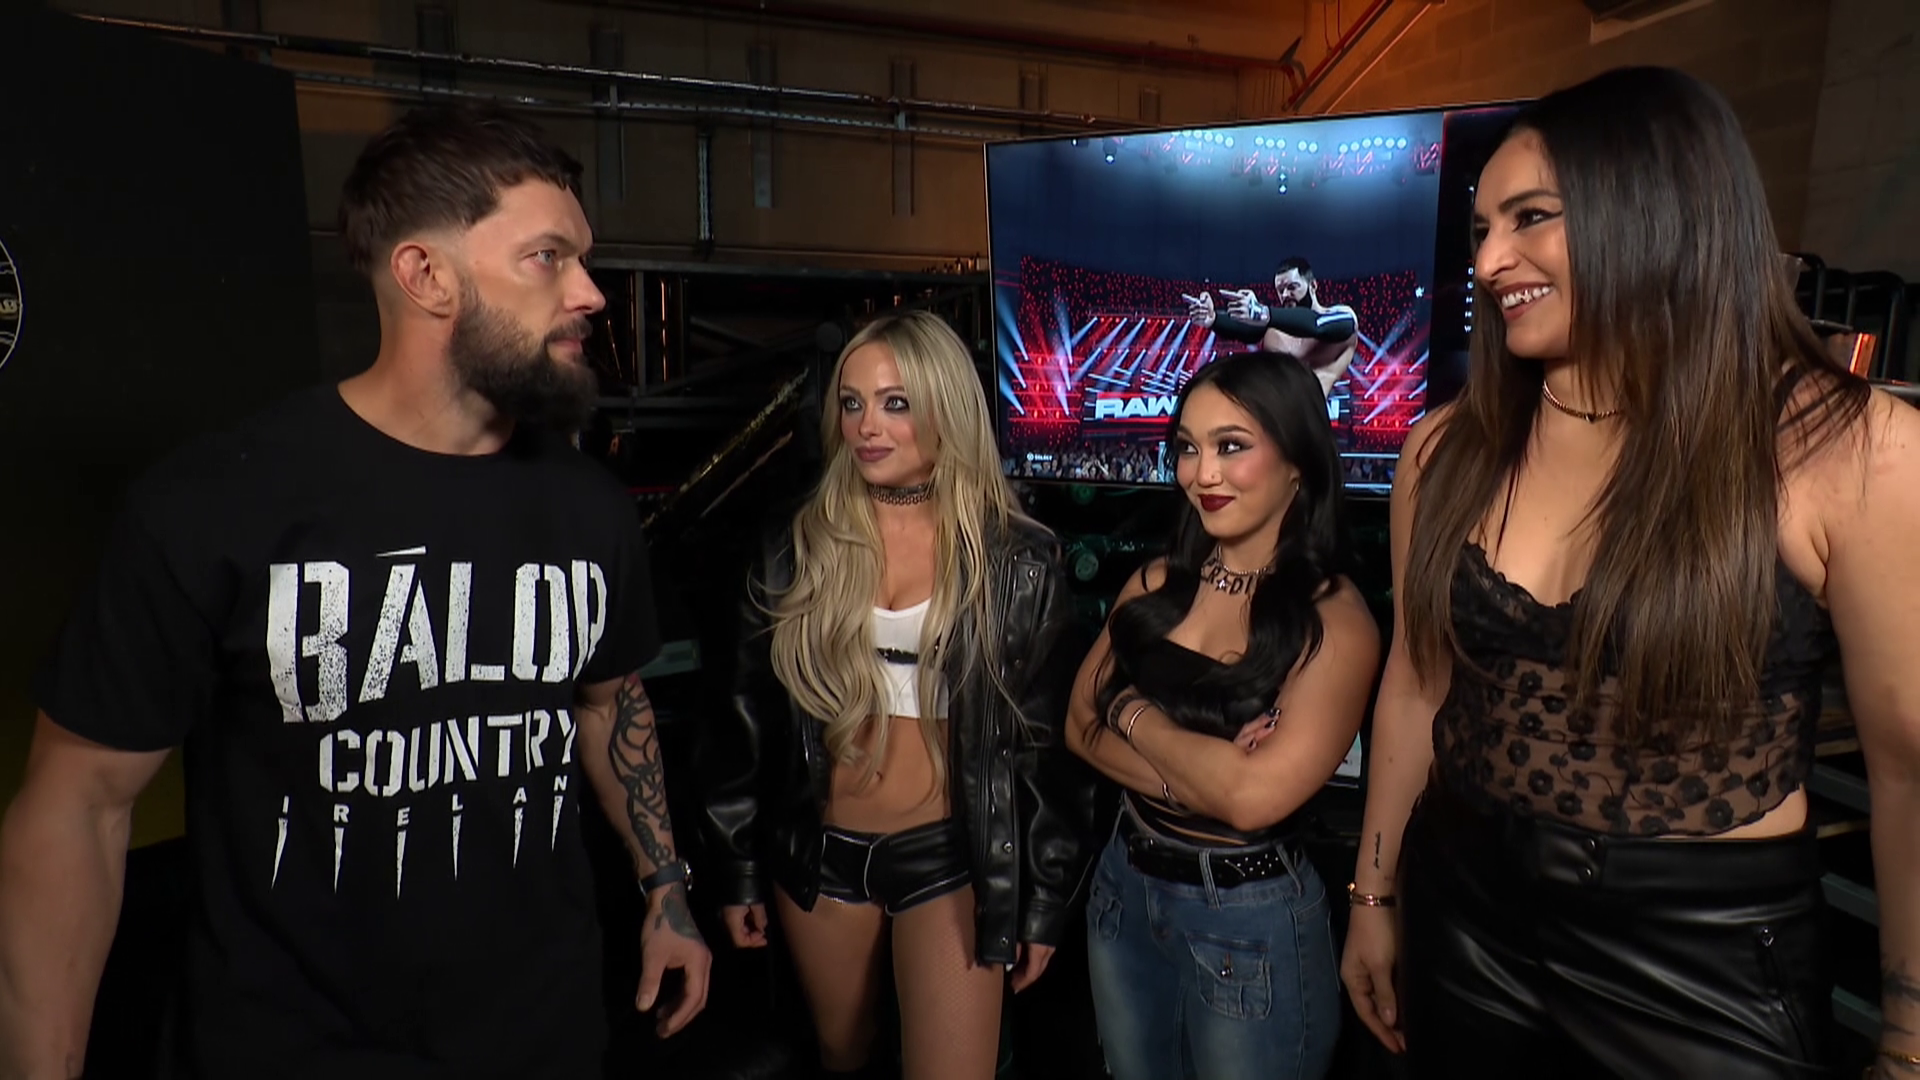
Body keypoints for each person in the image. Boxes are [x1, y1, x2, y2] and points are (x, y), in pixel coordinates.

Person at [0, 104, 711, 1079]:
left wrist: (667, 891)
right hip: (290, 1049)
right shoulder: (218, 504)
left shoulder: (589, 508)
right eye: (549, 258)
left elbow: (608, 701)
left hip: (540, 1040)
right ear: (425, 274)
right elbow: (77, 808)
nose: (590, 293)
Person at [1340, 66, 1920, 1080]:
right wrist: (1374, 898)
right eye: (1481, 231)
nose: (1491, 261)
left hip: (1701, 958)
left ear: (1656, 209)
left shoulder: (1851, 447)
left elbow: (1909, 770)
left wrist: (1910, 1040)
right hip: (1461, 911)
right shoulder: (1447, 451)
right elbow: (1417, 685)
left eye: (1531, 217)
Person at [697, 310, 1092, 1080]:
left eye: (895, 403)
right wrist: (736, 864)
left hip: (950, 859)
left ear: (947, 407)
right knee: (844, 1061)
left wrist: (1044, 901)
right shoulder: (795, 542)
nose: (866, 427)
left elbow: (1045, 750)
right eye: (852, 403)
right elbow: (738, 714)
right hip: (821, 858)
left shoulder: (1018, 559)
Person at [1065, 351, 1380, 1080]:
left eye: (1231, 446)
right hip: (1122, 887)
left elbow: (1250, 800)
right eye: (1188, 447)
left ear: (1298, 462)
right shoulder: (1155, 582)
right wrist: (1199, 775)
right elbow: (1077, 726)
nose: (1201, 474)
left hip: (1247, 921)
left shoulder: (1334, 620)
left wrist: (1130, 712)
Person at [1185, 257, 1361, 403]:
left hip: (1310, 422)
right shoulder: (1274, 328)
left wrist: (1263, 313)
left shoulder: (1341, 316)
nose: (1285, 295)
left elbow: (1317, 325)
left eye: (1292, 287)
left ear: (1313, 286)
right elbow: (1245, 330)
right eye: (1280, 290)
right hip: (1272, 420)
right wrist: (1213, 318)